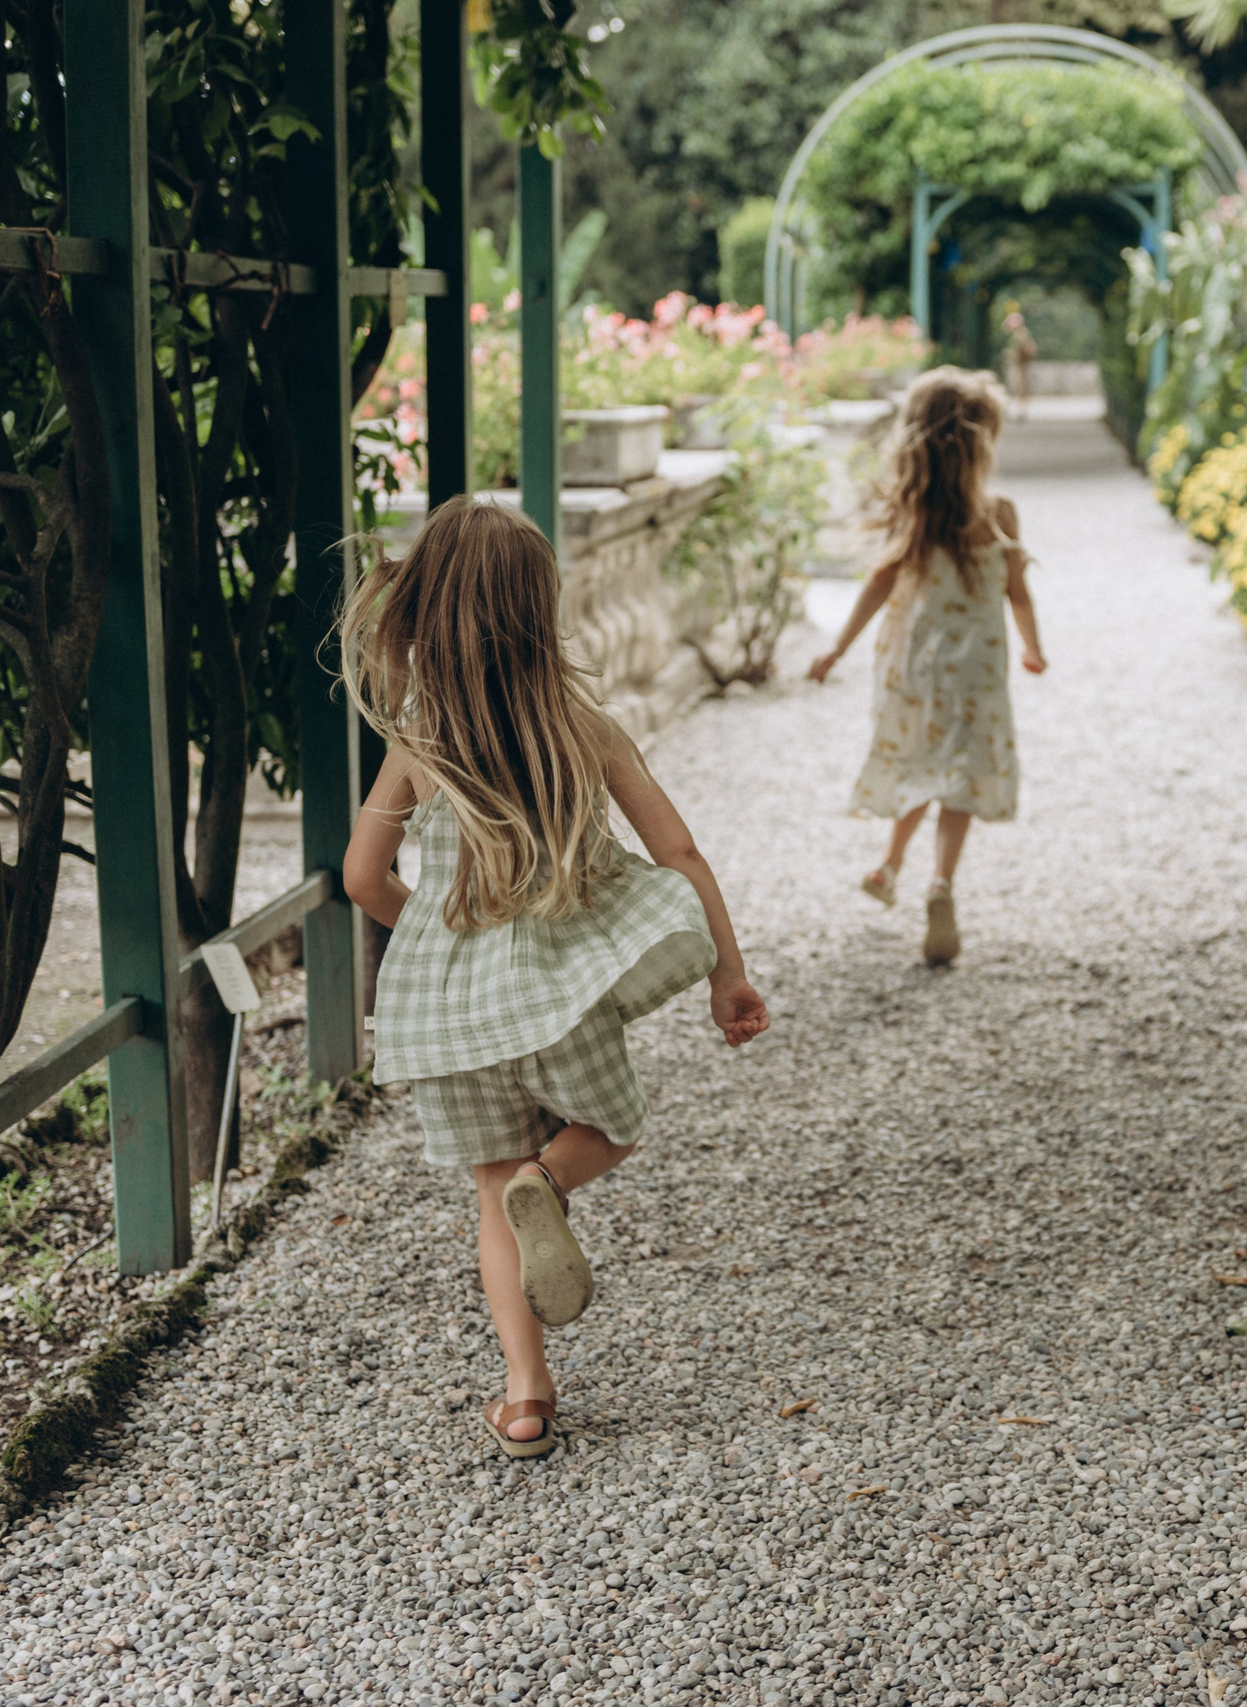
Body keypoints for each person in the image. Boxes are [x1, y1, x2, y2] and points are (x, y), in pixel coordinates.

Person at [340, 498, 770, 1461]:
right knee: (608, 1128)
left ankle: (526, 1396)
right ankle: (553, 1177)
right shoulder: (582, 724)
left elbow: (361, 878)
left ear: (431, 609)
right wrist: (727, 973)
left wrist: (441, 945)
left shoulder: (420, 739)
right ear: (539, 610)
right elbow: (681, 853)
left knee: (492, 1189)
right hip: (559, 994)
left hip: (461, 1020)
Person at [807, 367, 1046, 965]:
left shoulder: (912, 513)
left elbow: (878, 586)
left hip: (914, 668)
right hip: (978, 672)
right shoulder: (999, 514)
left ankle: (890, 864)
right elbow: (1018, 591)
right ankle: (941, 883)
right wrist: (1033, 647)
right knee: (959, 773)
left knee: (919, 761)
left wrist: (837, 648)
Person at [1000, 308, 1038, 420]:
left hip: (1019, 365)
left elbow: (1025, 349)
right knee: (1017, 387)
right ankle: (1020, 410)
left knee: (1019, 388)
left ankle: (1021, 411)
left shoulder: (1021, 334)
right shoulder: (1016, 334)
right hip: (1016, 364)